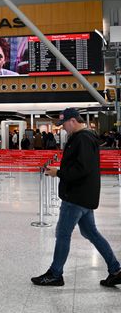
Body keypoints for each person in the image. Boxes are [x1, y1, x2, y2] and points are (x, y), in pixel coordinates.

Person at [31, 108, 121, 287]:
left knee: (63, 234)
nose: (62, 128)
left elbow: (82, 169)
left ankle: (55, 274)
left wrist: (58, 172)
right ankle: (116, 269)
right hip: (84, 195)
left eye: (63, 124)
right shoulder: (85, 137)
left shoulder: (83, 139)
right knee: (90, 232)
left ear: (72, 121)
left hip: (76, 196)